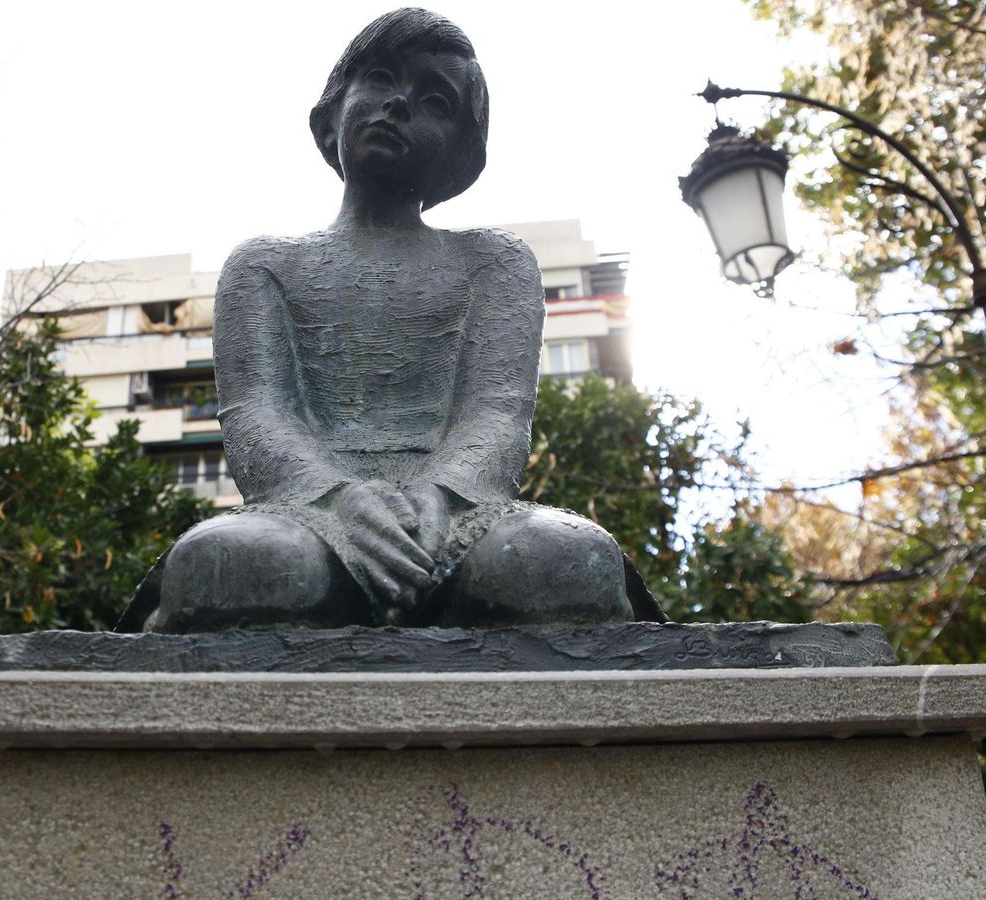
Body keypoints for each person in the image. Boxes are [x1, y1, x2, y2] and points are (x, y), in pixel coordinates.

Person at [120, 8, 662, 633]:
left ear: (461, 149)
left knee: (565, 559)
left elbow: (496, 415)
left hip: (460, 511)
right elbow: (258, 415)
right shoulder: (262, 264)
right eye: (380, 78)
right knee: (229, 564)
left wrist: (439, 498)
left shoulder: (495, 262)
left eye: (436, 101)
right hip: (307, 510)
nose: (400, 104)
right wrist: (338, 498)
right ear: (333, 109)